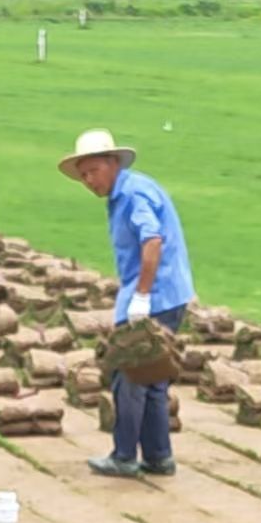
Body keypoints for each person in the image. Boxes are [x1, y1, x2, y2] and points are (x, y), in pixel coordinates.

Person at [58, 127, 194, 479]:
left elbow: (152, 241)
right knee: (152, 376)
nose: (89, 180)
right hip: (168, 293)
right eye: (84, 175)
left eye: (94, 171)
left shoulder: (133, 194)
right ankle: (158, 456)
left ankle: (124, 456)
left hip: (156, 296)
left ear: (113, 163)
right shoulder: (126, 191)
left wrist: (142, 296)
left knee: (128, 374)